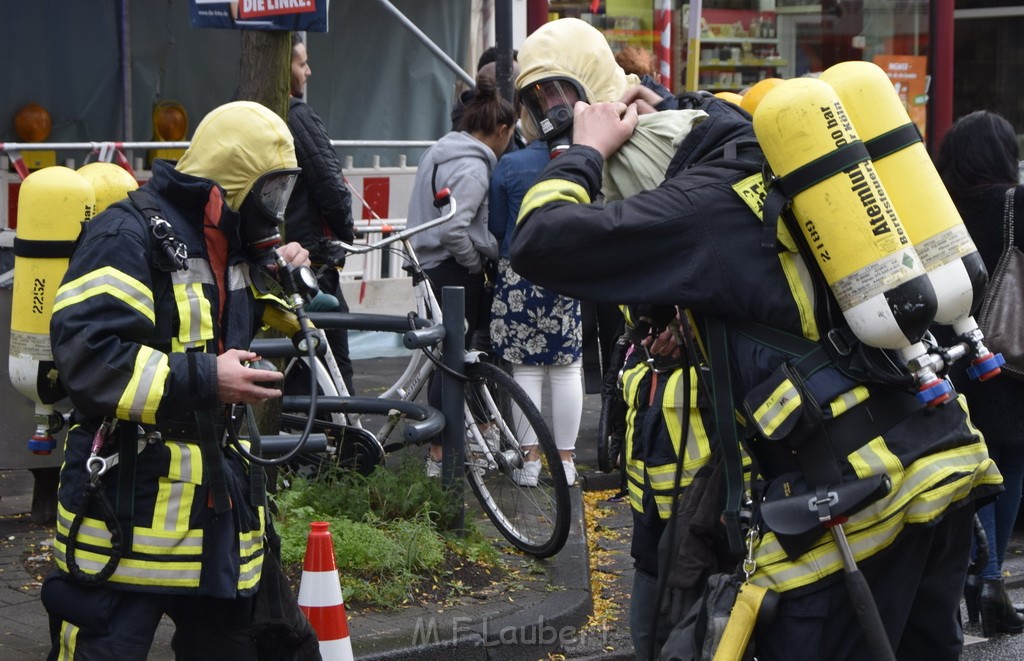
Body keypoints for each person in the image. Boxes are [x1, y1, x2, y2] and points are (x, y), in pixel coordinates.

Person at [511, 19, 1001, 659]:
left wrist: (580, 155)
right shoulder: (757, 157)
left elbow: (541, 243)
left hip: (856, 505)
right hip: (937, 457)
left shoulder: (698, 208)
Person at [43, 101, 316, 659]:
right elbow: (90, 361)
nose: (276, 208)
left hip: (215, 512)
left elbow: (216, 317)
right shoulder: (123, 234)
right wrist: (205, 379)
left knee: (265, 648)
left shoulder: (231, 247)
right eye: (271, 192)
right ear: (228, 186)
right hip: (127, 509)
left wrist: (291, 274)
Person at [937, 109, 1024, 638]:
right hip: (1006, 355)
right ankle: (990, 585)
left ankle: (973, 576)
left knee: (967, 465)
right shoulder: (1016, 204)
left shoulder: (933, 205)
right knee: (1009, 461)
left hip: (942, 352)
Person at [407, 71, 515, 475]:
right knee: (453, 361)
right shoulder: (473, 168)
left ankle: (445, 446)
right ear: (501, 129)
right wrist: (473, 263)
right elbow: (455, 228)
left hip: (429, 266)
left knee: (444, 358)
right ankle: (441, 454)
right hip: (453, 269)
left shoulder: (440, 151)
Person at [488, 128, 583, 486]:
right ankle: (566, 462)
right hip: (565, 267)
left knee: (525, 370)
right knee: (566, 368)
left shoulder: (510, 163)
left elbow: (496, 225)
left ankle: (530, 461)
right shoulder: (582, 162)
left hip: (519, 269)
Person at [286, 32, 356, 395]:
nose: (309, 71)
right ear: (286, 69)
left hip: (278, 254)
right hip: (312, 256)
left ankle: (302, 438)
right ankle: (342, 445)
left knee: (296, 353)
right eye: (302, 63)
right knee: (332, 357)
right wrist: (346, 233)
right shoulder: (298, 117)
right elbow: (331, 185)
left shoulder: (255, 111)